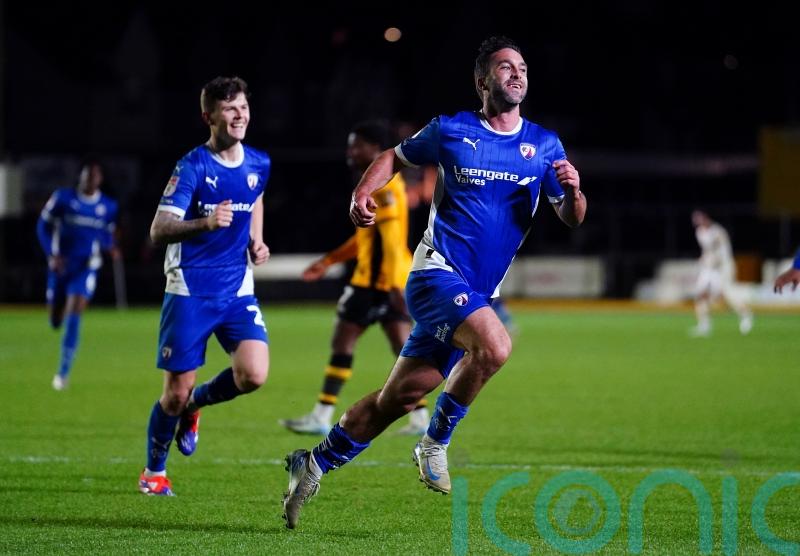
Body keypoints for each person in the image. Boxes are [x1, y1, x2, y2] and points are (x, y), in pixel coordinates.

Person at [281, 36, 586, 529]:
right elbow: (393, 158)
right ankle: (435, 442)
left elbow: (571, 217)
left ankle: (312, 463)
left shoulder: (545, 145)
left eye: (523, 67)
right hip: (435, 275)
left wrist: (573, 192)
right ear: (482, 80)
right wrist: (363, 191)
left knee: (393, 401)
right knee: (495, 346)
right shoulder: (451, 130)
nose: (517, 74)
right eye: (505, 67)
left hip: (476, 293)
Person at [138, 76, 271, 496]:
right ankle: (154, 474)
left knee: (253, 374)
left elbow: (257, 198)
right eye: (230, 108)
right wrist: (206, 223)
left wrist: (256, 239)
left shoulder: (259, 162)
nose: (239, 115)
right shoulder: (192, 166)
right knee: (173, 395)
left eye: (243, 107)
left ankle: (197, 406)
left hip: (236, 288)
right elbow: (159, 230)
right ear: (208, 116)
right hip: (190, 289)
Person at [279, 121, 429, 436]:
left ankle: (322, 414)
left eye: (357, 145)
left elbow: (388, 239)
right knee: (404, 347)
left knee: (343, 342)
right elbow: (366, 240)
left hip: (376, 283)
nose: (351, 152)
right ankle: (420, 419)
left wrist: (390, 287)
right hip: (390, 280)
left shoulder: (383, 186)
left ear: (376, 150)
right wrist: (328, 261)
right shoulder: (382, 184)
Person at [36, 158, 120, 391]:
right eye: (86, 175)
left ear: (100, 179)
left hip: (86, 267)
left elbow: (106, 234)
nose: (89, 179)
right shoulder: (63, 198)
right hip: (61, 266)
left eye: (94, 176)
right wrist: (51, 256)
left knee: (75, 312)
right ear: (80, 177)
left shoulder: (108, 206)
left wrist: (111, 246)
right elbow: (42, 227)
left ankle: (62, 374)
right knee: (55, 320)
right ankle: (57, 313)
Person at [689, 210, 753, 337]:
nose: (700, 223)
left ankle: (746, 314)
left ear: (706, 218)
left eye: (701, 220)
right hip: (709, 268)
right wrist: (705, 258)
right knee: (700, 294)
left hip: (723, 267)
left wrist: (712, 259)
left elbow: (722, 251)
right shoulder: (700, 233)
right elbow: (707, 250)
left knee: (727, 294)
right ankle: (704, 326)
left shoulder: (718, 231)